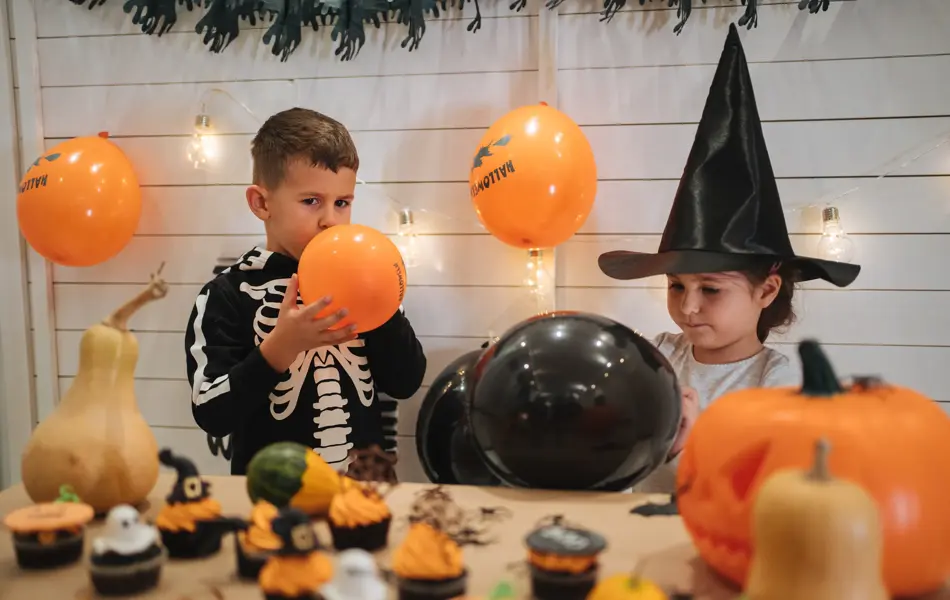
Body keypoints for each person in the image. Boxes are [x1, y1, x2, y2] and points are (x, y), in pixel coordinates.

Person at [598, 24, 862, 493]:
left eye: (711, 289)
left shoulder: (776, 379)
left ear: (767, 289)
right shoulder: (660, 353)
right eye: (676, 286)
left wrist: (695, 440)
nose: (688, 306)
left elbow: (773, 488)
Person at [184, 108, 427, 476]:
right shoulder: (228, 294)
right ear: (261, 203)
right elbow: (211, 412)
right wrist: (277, 350)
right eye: (311, 201)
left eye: (342, 203)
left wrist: (381, 305)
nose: (330, 219)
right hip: (270, 506)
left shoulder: (365, 279)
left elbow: (406, 381)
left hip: (362, 499)